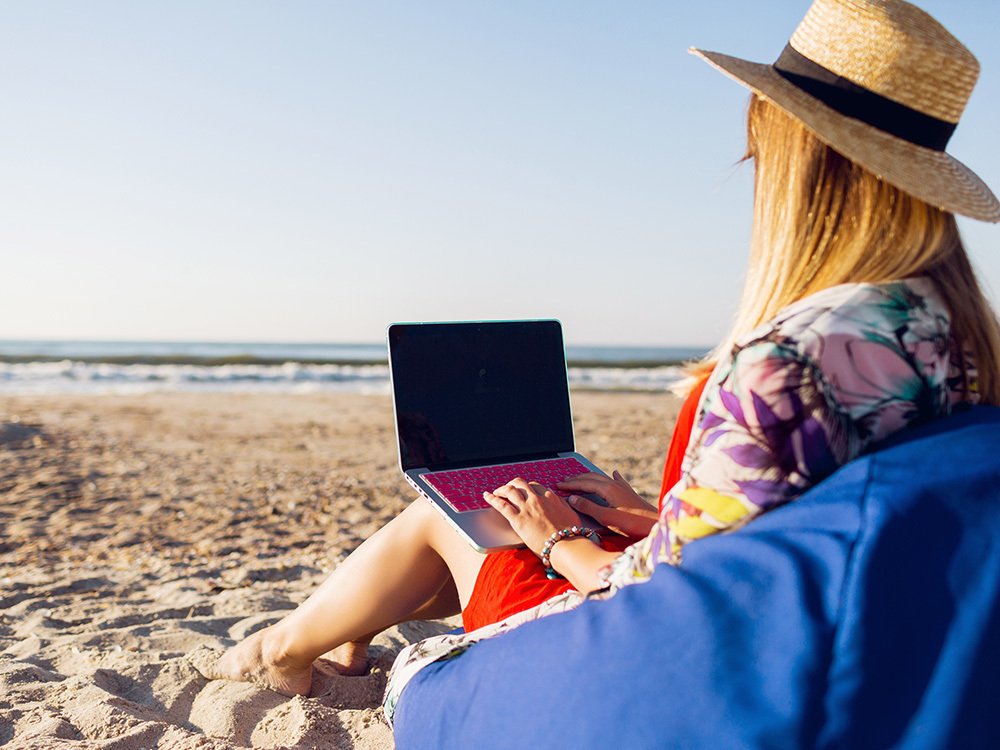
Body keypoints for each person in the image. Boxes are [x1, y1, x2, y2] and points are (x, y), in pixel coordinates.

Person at [205, 0, 1000, 711]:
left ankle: (282, 649)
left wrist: (561, 540)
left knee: (459, 517)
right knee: (509, 511)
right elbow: (808, 526)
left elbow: (671, 598)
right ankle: (328, 642)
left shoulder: (789, 363)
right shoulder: (955, 337)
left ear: (795, 156)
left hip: (689, 662)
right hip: (836, 631)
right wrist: (663, 517)